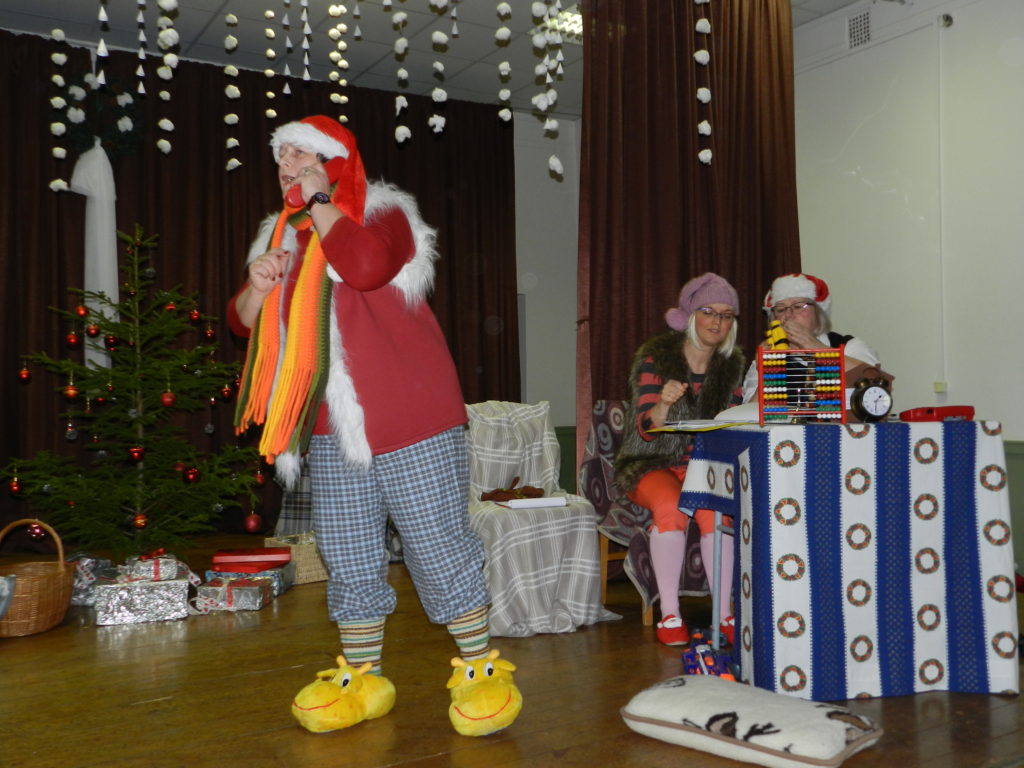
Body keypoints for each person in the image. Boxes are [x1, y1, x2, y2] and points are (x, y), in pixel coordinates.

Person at [227, 115, 517, 734]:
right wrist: (257, 286)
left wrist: (321, 204)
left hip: (412, 415)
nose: (287, 166)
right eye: (282, 157)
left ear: (333, 162)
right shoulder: (280, 234)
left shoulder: (384, 213)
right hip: (329, 426)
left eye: (301, 155)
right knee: (348, 553)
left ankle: (480, 669)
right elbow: (244, 322)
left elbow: (364, 266)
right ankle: (362, 677)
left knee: (437, 546)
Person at [614, 273, 745, 647]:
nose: (717, 322)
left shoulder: (732, 366)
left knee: (716, 513)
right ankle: (670, 614)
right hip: (651, 461)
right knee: (671, 507)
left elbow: (734, 420)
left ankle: (724, 614)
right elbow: (645, 427)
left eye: (726, 315)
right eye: (708, 311)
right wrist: (664, 403)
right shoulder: (657, 358)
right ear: (690, 315)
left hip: (704, 466)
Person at [741, 273, 881, 404]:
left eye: (798, 306)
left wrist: (816, 348)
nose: (788, 315)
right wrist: (769, 375)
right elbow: (748, 416)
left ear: (818, 313)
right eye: (781, 309)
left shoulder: (849, 346)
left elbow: (877, 389)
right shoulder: (766, 355)